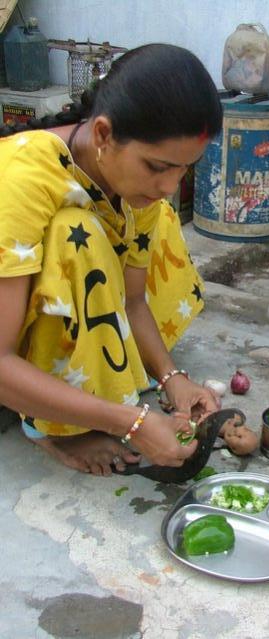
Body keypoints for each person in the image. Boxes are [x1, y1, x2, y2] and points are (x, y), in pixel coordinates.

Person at [0, 43, 224, 476]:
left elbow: (133, 300)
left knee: (158, 218)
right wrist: (132, 422)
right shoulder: (22, 178)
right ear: (102, 134)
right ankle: (49, 429)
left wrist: (172, 379)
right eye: (157, 166)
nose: (168, 186)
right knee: (74, 234)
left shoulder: (136, 189)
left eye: (184, 170)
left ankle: (81, 393)